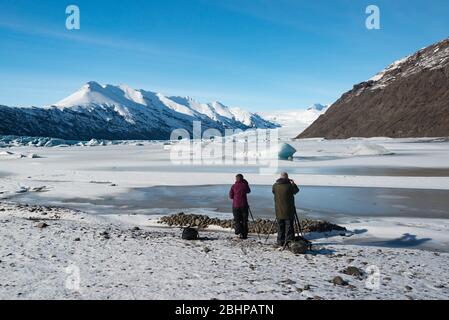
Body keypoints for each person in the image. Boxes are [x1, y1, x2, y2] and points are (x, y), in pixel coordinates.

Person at [272, 172, 300, 246]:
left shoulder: (275, 185)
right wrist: (293, 183)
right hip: (289, 210)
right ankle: (289, 241)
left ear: (280, 177)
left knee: (280, 226)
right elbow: (296, 191)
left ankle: (280, 241)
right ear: (287, 178)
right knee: (289, 226)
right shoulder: (290, 186)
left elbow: (273, 192)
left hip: (278, 209)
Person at [229, 174, 251, 239]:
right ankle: (244, 234)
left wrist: (235, 197)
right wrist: (246, 183)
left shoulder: (233, 186)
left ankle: (238, 233)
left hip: (236, 205)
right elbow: (249, 191)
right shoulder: (244, 185)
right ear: (242, 179)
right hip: (244, 205)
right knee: (244, 220)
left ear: (236, 179)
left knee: (237, 220)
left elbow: (230, 196)